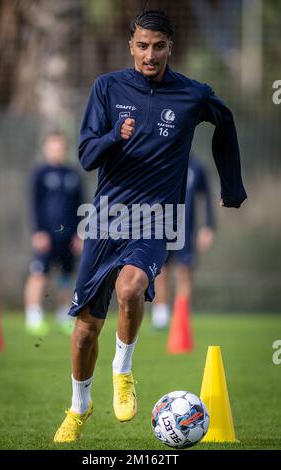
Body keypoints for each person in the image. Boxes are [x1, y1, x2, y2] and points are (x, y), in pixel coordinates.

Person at [53, 10, 247, 443]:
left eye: (158, 46)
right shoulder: (107, 88)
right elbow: (86, 155)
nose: (150, 54)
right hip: (106, 219)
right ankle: (78, 407)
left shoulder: (192, 95)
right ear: (131, 46)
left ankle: (123, 371)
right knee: (85, 330)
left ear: (170, 47)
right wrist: (112, 138)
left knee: (130, 288)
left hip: (157, 220)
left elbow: (226, 120)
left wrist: (231, 186)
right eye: (142, 45)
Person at [24, 132, 84, 336]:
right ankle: (33, 316)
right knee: (39, 274)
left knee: (66, 276)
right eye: (53, 146)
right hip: (47, 235)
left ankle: (64, 316)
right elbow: (35, 205)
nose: (57, 150)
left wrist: (79, 233)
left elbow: (80, 205)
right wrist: (39, 231)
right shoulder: (40, 174)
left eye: (60, 147)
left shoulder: (73, 174)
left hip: (68, 236)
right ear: (46, 148)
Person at [151, 155, 215, 330]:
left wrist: (208, 226)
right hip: (161, 227)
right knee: (160, 271)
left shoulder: (196, 167)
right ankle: (160, 317)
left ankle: (182, 319)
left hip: (186, 230)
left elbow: (207, 198)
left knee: (184, 272)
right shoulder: (162, 159)